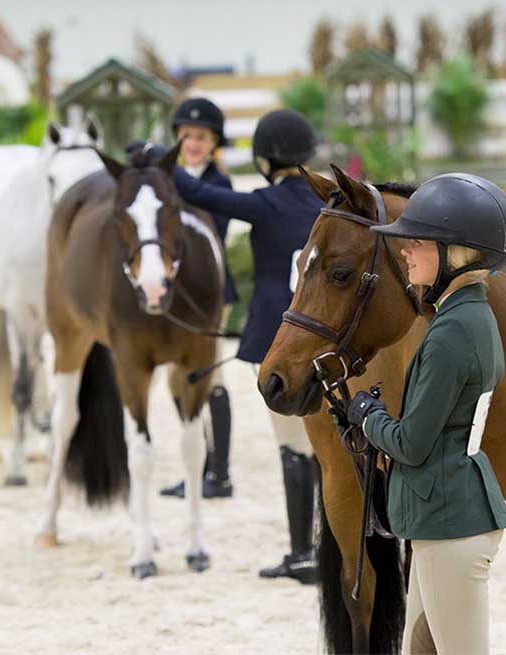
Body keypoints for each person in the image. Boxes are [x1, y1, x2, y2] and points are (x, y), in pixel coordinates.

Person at [346, 173, 506, 654]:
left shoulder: (451, 334)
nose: (405, 252)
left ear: (454, 253)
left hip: (450, 526)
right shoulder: (468, 316)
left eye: (416, 242)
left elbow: (410, 443)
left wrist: (366, 414)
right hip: (442, 519)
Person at [149, 109, 323, 584]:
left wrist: (160, 163)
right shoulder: (327, 201)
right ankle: (334, 545)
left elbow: (200, 192)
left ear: (265, 158)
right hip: (331, 336)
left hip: (279, 337)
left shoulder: (266, 203)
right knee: (329, 442)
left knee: (294, 446)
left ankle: (302, 553)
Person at [153, 97, 238, 500]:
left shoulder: (219, 186)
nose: (192, 143)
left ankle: (220, 474)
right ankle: (197, 463)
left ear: (213, 142)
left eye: (201, 137)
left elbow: (211, 235)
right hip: (175, 294)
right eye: (186, 136)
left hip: (208, 293)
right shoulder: (164, 179)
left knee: (211, 377)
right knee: (175, 377)